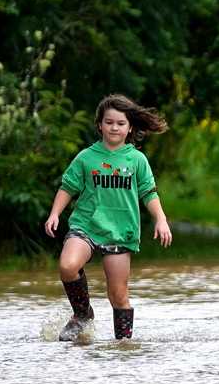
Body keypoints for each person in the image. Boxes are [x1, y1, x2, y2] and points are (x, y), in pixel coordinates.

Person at [43, 94, 172, 341]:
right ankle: (82, 315)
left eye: (120, 123)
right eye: (109, 122)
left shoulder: (136, 160)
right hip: (86, 226)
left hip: (120, 231)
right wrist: (54, 214)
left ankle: (123, 345)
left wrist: (161, 219)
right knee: (67, 265)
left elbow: (148, 192)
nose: (114, 127)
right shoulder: (86, 157)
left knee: (118, 296)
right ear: (100, 125)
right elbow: (68, 187)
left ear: (130, 127)